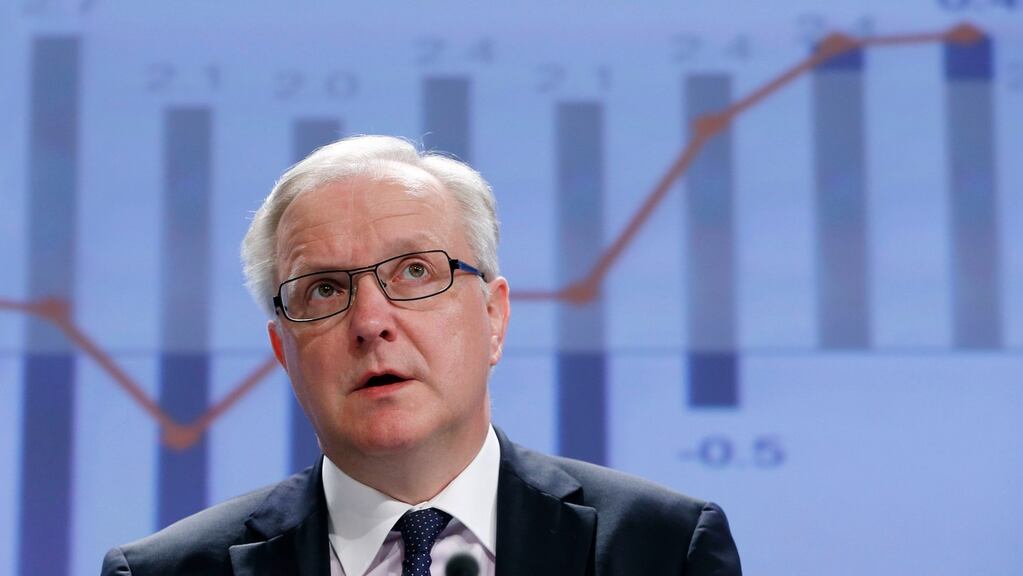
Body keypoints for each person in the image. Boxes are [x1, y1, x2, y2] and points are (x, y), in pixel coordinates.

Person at [101, 135, 742, 575]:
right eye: (324, 288)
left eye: (413, 271)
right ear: (283, 351)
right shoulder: (166, 571)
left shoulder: (661, 548)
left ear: (494, 317)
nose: (371, 322)